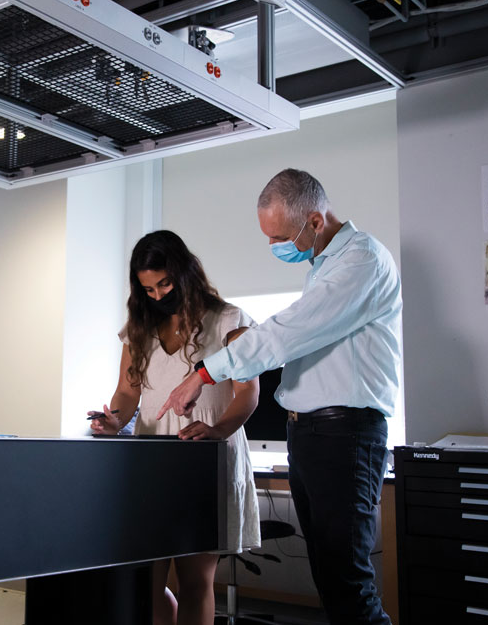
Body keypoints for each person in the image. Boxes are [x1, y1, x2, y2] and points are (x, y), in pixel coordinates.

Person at [159, 169, 401, 625]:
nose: (275, 247)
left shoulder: (361, 260)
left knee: (347, 580)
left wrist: (206, 371)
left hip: (344, 433)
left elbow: (291, 332)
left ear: (314, 220)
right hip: (313, 434)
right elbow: (303, 339)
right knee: (331, 577)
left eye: (280, 236)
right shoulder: (324, 268)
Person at [89, 230, 261, 625]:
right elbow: (126, 393)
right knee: (144, 581)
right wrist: (115, 419)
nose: (157, 295)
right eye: (147, 289)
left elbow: (248, 393)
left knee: (194, 582)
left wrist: (218, 430)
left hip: (205, 461)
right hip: (149, 465)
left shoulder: (229, 321)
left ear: (185, 272)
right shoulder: (140, 328)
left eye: (164, 283)